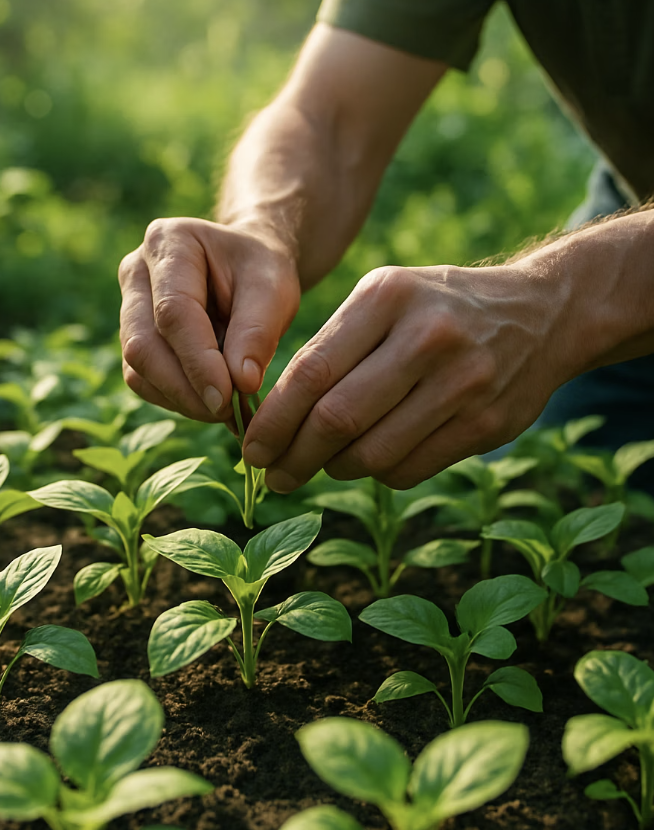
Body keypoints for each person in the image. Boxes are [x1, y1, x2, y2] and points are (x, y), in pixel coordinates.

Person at [117, 1, 654, 495]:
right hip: (635, 200)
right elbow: (328, 117)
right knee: (547, 500)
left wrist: (561, 300)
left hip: (621, 255)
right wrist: (259, 226)